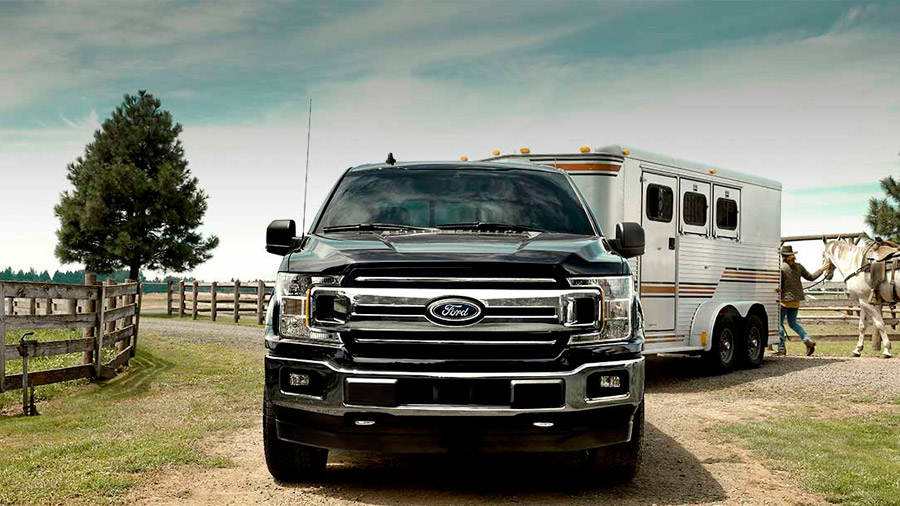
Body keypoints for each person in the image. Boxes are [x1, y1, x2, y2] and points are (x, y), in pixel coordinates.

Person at [777, 245, 826, 356]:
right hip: (796, 301)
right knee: (793, 323)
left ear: (782, 256)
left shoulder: (781, 268)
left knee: (777, 324)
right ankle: (806, 339)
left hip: (784, 301)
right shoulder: (799, 267)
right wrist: (821, 270)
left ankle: (781, 349)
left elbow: (779, 285)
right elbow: (811, 277)